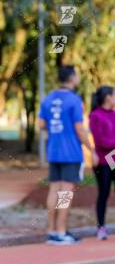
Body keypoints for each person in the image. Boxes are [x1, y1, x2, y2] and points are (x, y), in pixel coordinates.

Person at [38, 65, 97, 245]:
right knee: (66, 193)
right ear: (72, 78)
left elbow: (41, 125)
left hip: (54, 151)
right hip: (70, 153)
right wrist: (91, 149)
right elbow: (79, 129)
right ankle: (62, 232)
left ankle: (51, 230)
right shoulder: (74, 100)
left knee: (54, 189)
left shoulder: (47, 99)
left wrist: (57, 131)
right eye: (77, 75)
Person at [89, 85, 115, 240]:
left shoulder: (114, 114)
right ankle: (101, 228)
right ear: (107, 97)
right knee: (104, 193)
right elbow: (100, 141)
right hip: (103, 160)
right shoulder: (95, 116)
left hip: (113, 159)